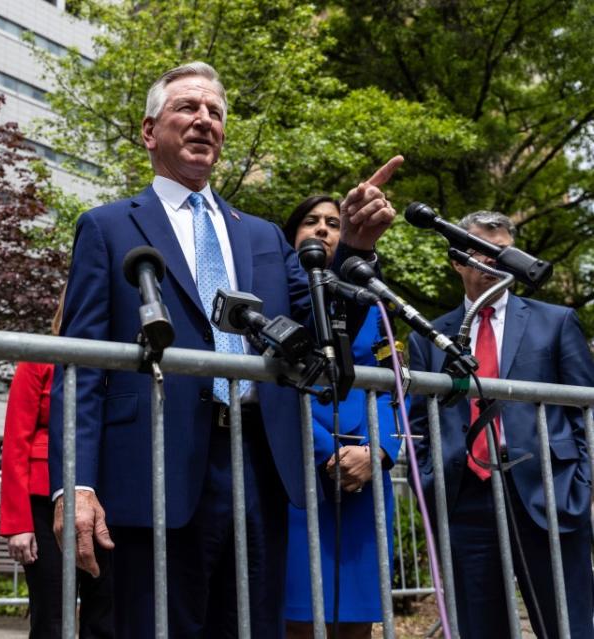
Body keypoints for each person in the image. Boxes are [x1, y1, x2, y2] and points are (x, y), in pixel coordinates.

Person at [48, 60, 401, 638]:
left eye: (215, 112)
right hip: (154, 468)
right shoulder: (108, 227)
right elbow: (82, 363)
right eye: (187, 107)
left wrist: (354, 248)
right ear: (148, 130)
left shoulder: (260, 234)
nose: (203, 120)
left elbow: (317, 324)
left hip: (260, 465)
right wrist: (77, 484)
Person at [409, 211, 594, 638]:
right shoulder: (430, 337)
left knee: (566, 625)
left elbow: (585, 409)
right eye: (482, 249)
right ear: (457, 259)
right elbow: (421, 424)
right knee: (479, 627)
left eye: (504, 251)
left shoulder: (556, 321)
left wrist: (580, 486)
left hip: (548, 493)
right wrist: (434, 481)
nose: (495, 260)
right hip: (466, 500)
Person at [280, 196, 403, 639]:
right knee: (297, 618)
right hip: (299, 476)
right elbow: (265, 385)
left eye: (334, 223)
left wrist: (381, 451)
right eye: (310, 221)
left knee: (356, 621)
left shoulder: (373, 303)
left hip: (366, 477)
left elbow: (396, 387)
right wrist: (328, 453)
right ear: (291, 234)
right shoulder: (276, 298)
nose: (323, 229)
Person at [0, 291, 114, 638]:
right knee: (51, 616)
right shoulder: (40, 357)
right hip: (42, 502)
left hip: (109, 499)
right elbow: (15, 442)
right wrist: (18, 525)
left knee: (107, 614)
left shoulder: (118, 361)